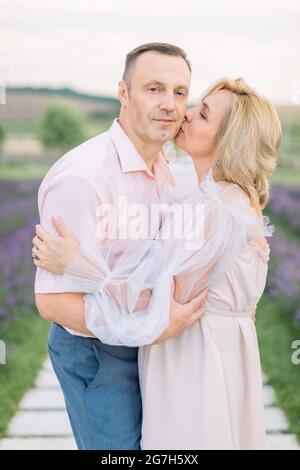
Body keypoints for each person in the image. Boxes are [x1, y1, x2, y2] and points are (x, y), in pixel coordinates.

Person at [33, 77, 282, 449]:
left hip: (194, 360)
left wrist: (77, 264)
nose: (186, 113)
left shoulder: (220, 210)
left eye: (203, 114)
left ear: (229, 139)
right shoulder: (211, 198)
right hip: (203, 352)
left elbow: (158, 296)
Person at [34, 43, 206, 450]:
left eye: (180, 92)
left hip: (156, 349)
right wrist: (152, 325)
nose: (169, 104)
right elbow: (54, 303)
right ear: (123, 93)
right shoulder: (84, 177)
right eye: (153, 89)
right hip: (97, 354)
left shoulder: (169, 170)